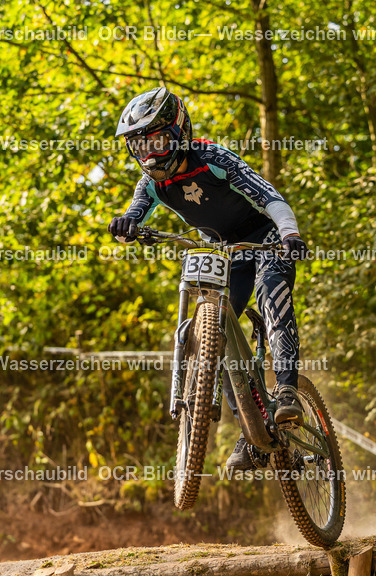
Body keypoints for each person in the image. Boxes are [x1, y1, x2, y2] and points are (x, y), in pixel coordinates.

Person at [108, 86, 307, 471]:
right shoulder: (151, 182)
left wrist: (289, 235)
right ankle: (252, 431)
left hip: (264, 241)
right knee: (214, 337)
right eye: (139, 147)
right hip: (221, 253)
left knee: (271, 296)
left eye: (158, 141)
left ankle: (286, 391)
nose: (149, 155)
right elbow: (135, 211)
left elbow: (270, 196)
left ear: (179, 131)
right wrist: (125, 225)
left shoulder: (213, 158)